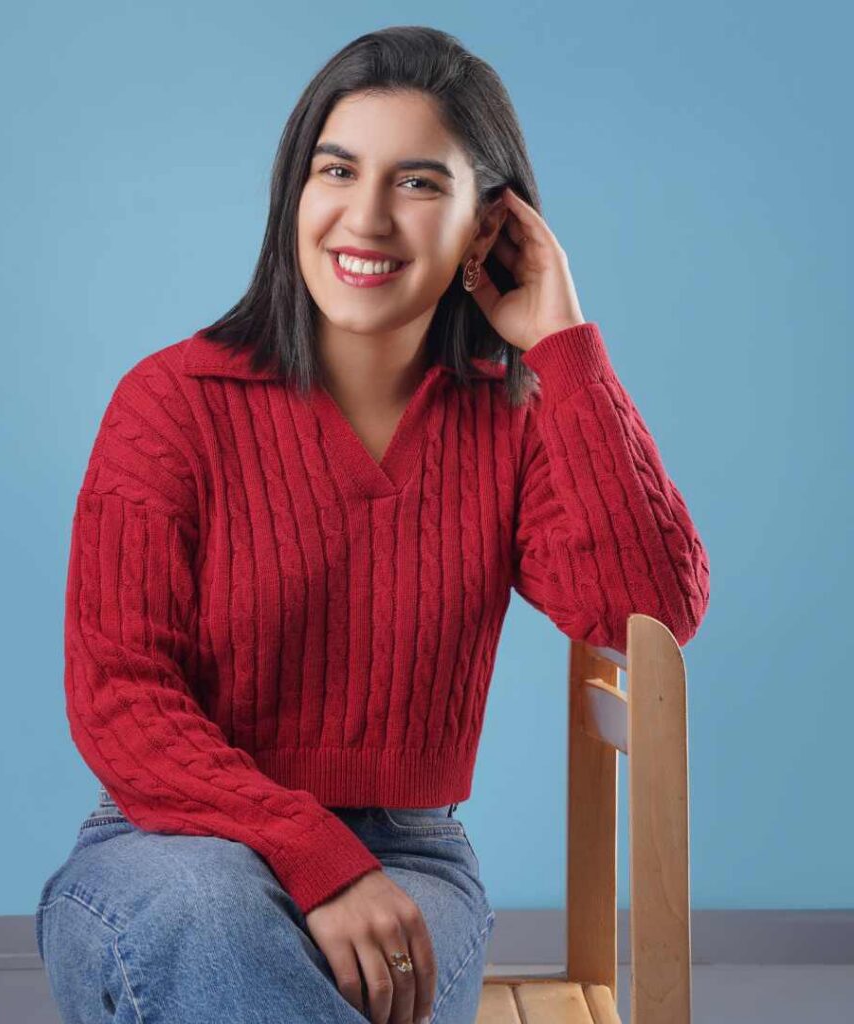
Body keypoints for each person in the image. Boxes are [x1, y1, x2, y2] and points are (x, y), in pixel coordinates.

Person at [35, 24, 710, 1024]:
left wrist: (566, 348)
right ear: (293, 195)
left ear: (489, 228)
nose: (365, 217)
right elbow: (121, 698)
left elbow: (647, 613)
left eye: (418, 183)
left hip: (410, 851)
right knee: (210, 921)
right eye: (336, 170)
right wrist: (311, 853)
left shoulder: (511, 420)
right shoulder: (169, 402)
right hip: (166, 842)